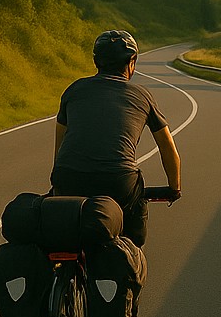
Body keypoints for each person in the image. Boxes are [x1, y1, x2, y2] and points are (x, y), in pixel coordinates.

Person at [50, 30, 181, 251]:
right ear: (132, 62)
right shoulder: (142, 95)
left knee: (64, 237)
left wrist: (59, 181)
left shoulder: (73, 90)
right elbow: (167, 148)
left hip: (67, 177)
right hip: (119, 182)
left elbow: (60, 145)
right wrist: (173, 188)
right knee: (131, 241)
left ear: (95, 61)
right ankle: (128, 266)